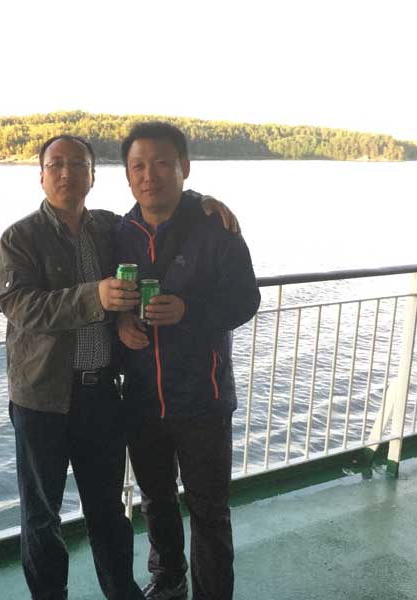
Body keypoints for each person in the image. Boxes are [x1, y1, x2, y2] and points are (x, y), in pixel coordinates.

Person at [0, 134, 238, 600]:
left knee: (107, 509)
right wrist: (96, 297)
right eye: (56, 164)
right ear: (41, 175)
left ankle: (122, 593)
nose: (67, 173)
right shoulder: (19, 238)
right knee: (41, 515)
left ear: (93, 175)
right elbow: (21, 307)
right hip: (42, 399)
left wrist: (202, 201)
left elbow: (159, 205)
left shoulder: (110, 228)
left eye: (78, 164)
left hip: (101, 395)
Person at [114, 122, 260, 600]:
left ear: (184, 168)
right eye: (138, 166)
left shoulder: (215, 228)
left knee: (209, 510)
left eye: (161, 163)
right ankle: (169, 578)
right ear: (127, 175)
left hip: (202, 397)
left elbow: (246, 299)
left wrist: (187, 310)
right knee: (156, 500)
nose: (149, 175)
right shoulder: (119, 234)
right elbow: (108, 302)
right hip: (142, 398)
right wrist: (120, 326)